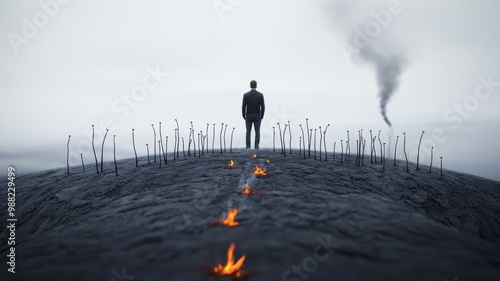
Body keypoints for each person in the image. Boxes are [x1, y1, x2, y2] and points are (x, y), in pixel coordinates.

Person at [242, 80, 265, 149]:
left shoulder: (246, 95)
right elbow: (263, 106)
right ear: (256, 85)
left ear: (250, 85)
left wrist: (243, 115)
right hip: (257, 115)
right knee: (257, 131)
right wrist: (262, 116)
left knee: (248, 131)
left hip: (248, 115)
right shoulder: (260, 95)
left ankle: (248, 146)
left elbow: (243, 106)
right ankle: (256, 146)